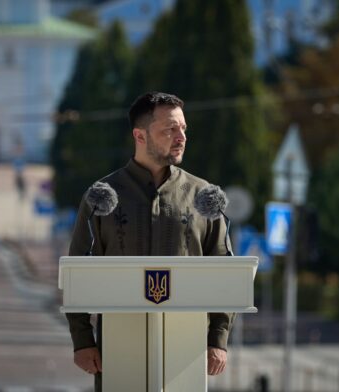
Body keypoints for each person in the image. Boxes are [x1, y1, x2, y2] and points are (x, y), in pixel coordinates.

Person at [65, 91, 234, 390]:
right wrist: (83, 341)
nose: (181, 137)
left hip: (186, 353)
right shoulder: (102, 197)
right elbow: (77, 273)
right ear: (139, 135)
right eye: (170, 129)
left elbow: (225, 272)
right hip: (117, 351)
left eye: (183, 129)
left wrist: (217, 339)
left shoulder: (204, 196)